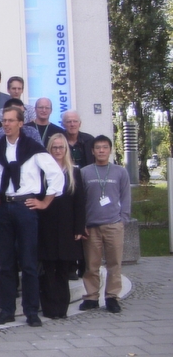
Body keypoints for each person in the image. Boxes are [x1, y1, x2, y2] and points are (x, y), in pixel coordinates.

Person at [0, 107, 64, 328]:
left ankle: (31, 311)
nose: (6, 124)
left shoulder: (34, 149)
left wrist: (45, 201)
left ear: (21, 123)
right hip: (2, 207)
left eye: (11, 121)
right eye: (4, 121)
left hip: (25, 207)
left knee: (29, 262)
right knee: (6, 263)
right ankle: (7, 310)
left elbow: (56, 175)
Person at [79, 135, 131, 314]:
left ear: (110, 150)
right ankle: (91, 296)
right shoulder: (85, 172)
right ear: (92, 151)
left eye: (105, 147)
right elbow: (81, 200)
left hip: (113, 225)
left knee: (114, 263)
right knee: (91, 265)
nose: (101, 150)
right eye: (98, 148)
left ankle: (112, 297)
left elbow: (125, 196)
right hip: (91, 226)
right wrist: (81, 223)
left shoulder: (120, 172)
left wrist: (123, 218)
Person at [38, 133, 85, 319]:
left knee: (64, 270)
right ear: (49, 150)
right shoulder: (42, 171)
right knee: (48, 268)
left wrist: (79, 228)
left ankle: (61, 308)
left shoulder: (74, 172)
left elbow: (80, 202)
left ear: (66, 150)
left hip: (67, 227)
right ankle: (49, 309)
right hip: (46, 225)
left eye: (61, 147)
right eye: (54, 147)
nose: (58, 151)